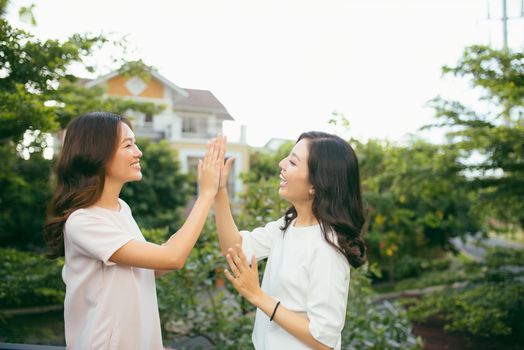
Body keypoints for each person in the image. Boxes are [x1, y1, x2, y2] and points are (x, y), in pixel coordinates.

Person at [44, 111, 223, 349]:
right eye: (128, 145)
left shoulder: (121, 209)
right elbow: (171, 258)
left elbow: (156, 266)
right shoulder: (83, 221)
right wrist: (207, 194)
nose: (138, 152)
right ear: (99, 154)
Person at [214, 132, 366, 350]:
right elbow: (234, 249)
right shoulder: (287, 225)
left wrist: (258, 296)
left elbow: (323, 340)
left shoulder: (328, 249)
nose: (281, 164)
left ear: (316, 183)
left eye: (293, 162)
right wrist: (219, 190)